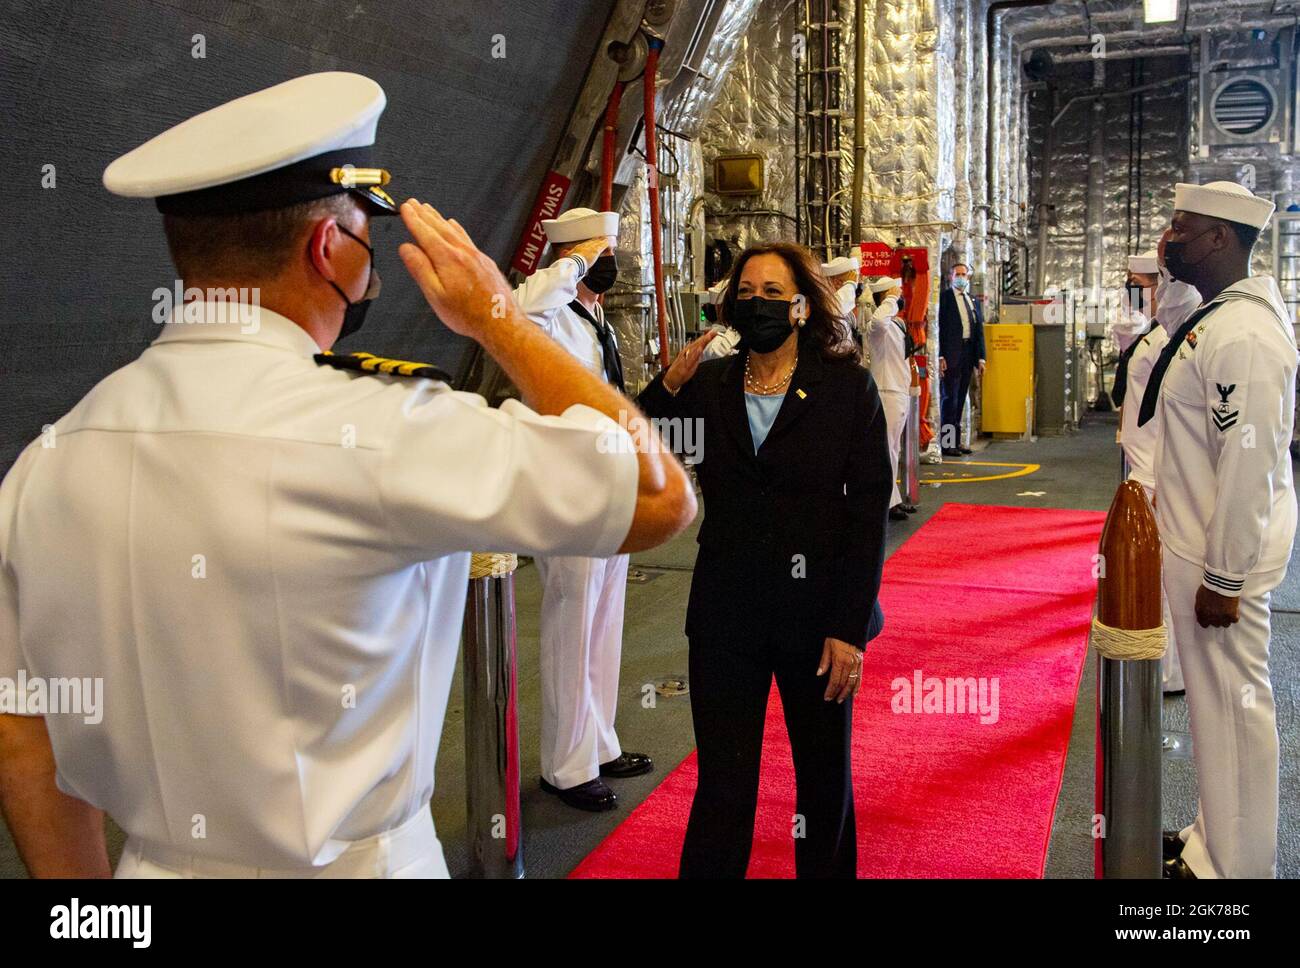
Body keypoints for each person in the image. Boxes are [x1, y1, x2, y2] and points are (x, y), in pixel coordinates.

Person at [0, 72, 695, 878]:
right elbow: (657, 496)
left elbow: (23, 734)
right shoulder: (385, 430)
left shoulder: (49, 461)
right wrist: (497, 315)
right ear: (327, 248)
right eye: (363, 231)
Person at [637, 242, 892, 878]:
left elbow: (866, 515)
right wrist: (667, 384)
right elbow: (637, 451)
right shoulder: (709, 385)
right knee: (723, 784)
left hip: (817, 619)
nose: (759, 304)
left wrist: (848, 629)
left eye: (774, 294)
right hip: (726, 617)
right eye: (746, 293)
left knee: (823, 781)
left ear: (803, 306)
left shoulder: (845, 387)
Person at [1136, 180, 1296, 879]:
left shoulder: (1247, 333)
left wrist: (1223, 577)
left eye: (1182, 226)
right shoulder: (1219, 315)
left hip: (1217, 563)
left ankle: (1237, 870)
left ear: (1220, 239)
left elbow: (1251, 460)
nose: (1170, 237)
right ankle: (1212, 840)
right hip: (1197, 548)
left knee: (1236, 716)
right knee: (1213, 715)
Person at [510, 208, 653, 811]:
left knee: (603, 621)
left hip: (609, 487)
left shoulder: (597, 321)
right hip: (565, 490)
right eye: (603, 250)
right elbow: (515, 308)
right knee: (572, 623)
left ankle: (598, 743)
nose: (612, 260)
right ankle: (564, 767)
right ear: (573, 255)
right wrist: (571, 261)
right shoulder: (544, 313)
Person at [1113, 246, 1201, 696]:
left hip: (1155, 467)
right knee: (1153, 571)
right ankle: (1164, 666)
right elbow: (1122, 334)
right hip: (1144, 460)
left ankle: (1168, 672)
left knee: (1160, 571)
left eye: (1144, 283)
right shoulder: (1154, 334)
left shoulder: (1173, 338)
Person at [862, 276, 917, 521]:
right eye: (895, 292)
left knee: (893, 449)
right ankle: (886, 502)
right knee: (887, 450)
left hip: (898, 390)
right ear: (886, 297)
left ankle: (891, 499)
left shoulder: (897, 325)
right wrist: (891, 298)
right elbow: (877, 321)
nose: (900, 296)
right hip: (886, 391)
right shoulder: (878, 326)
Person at [937, 262, 985, 457]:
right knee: (950, 399)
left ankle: (956, 442)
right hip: (951, 356)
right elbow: (938, 328)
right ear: (950, 277)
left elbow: (979, 331)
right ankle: (947, 444)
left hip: (967, 355)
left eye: (964, 274)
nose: (961, 277)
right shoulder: (945, 299)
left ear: (968, 277)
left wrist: (981, 358)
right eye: (957, 274)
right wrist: (940, 355)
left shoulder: (972, 300)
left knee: (961, 399)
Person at [820, 254, 861, 323]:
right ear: (837, 282)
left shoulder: (846, 304)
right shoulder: (824, 302)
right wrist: (851, 284)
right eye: (852, 278)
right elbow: (835, 311)